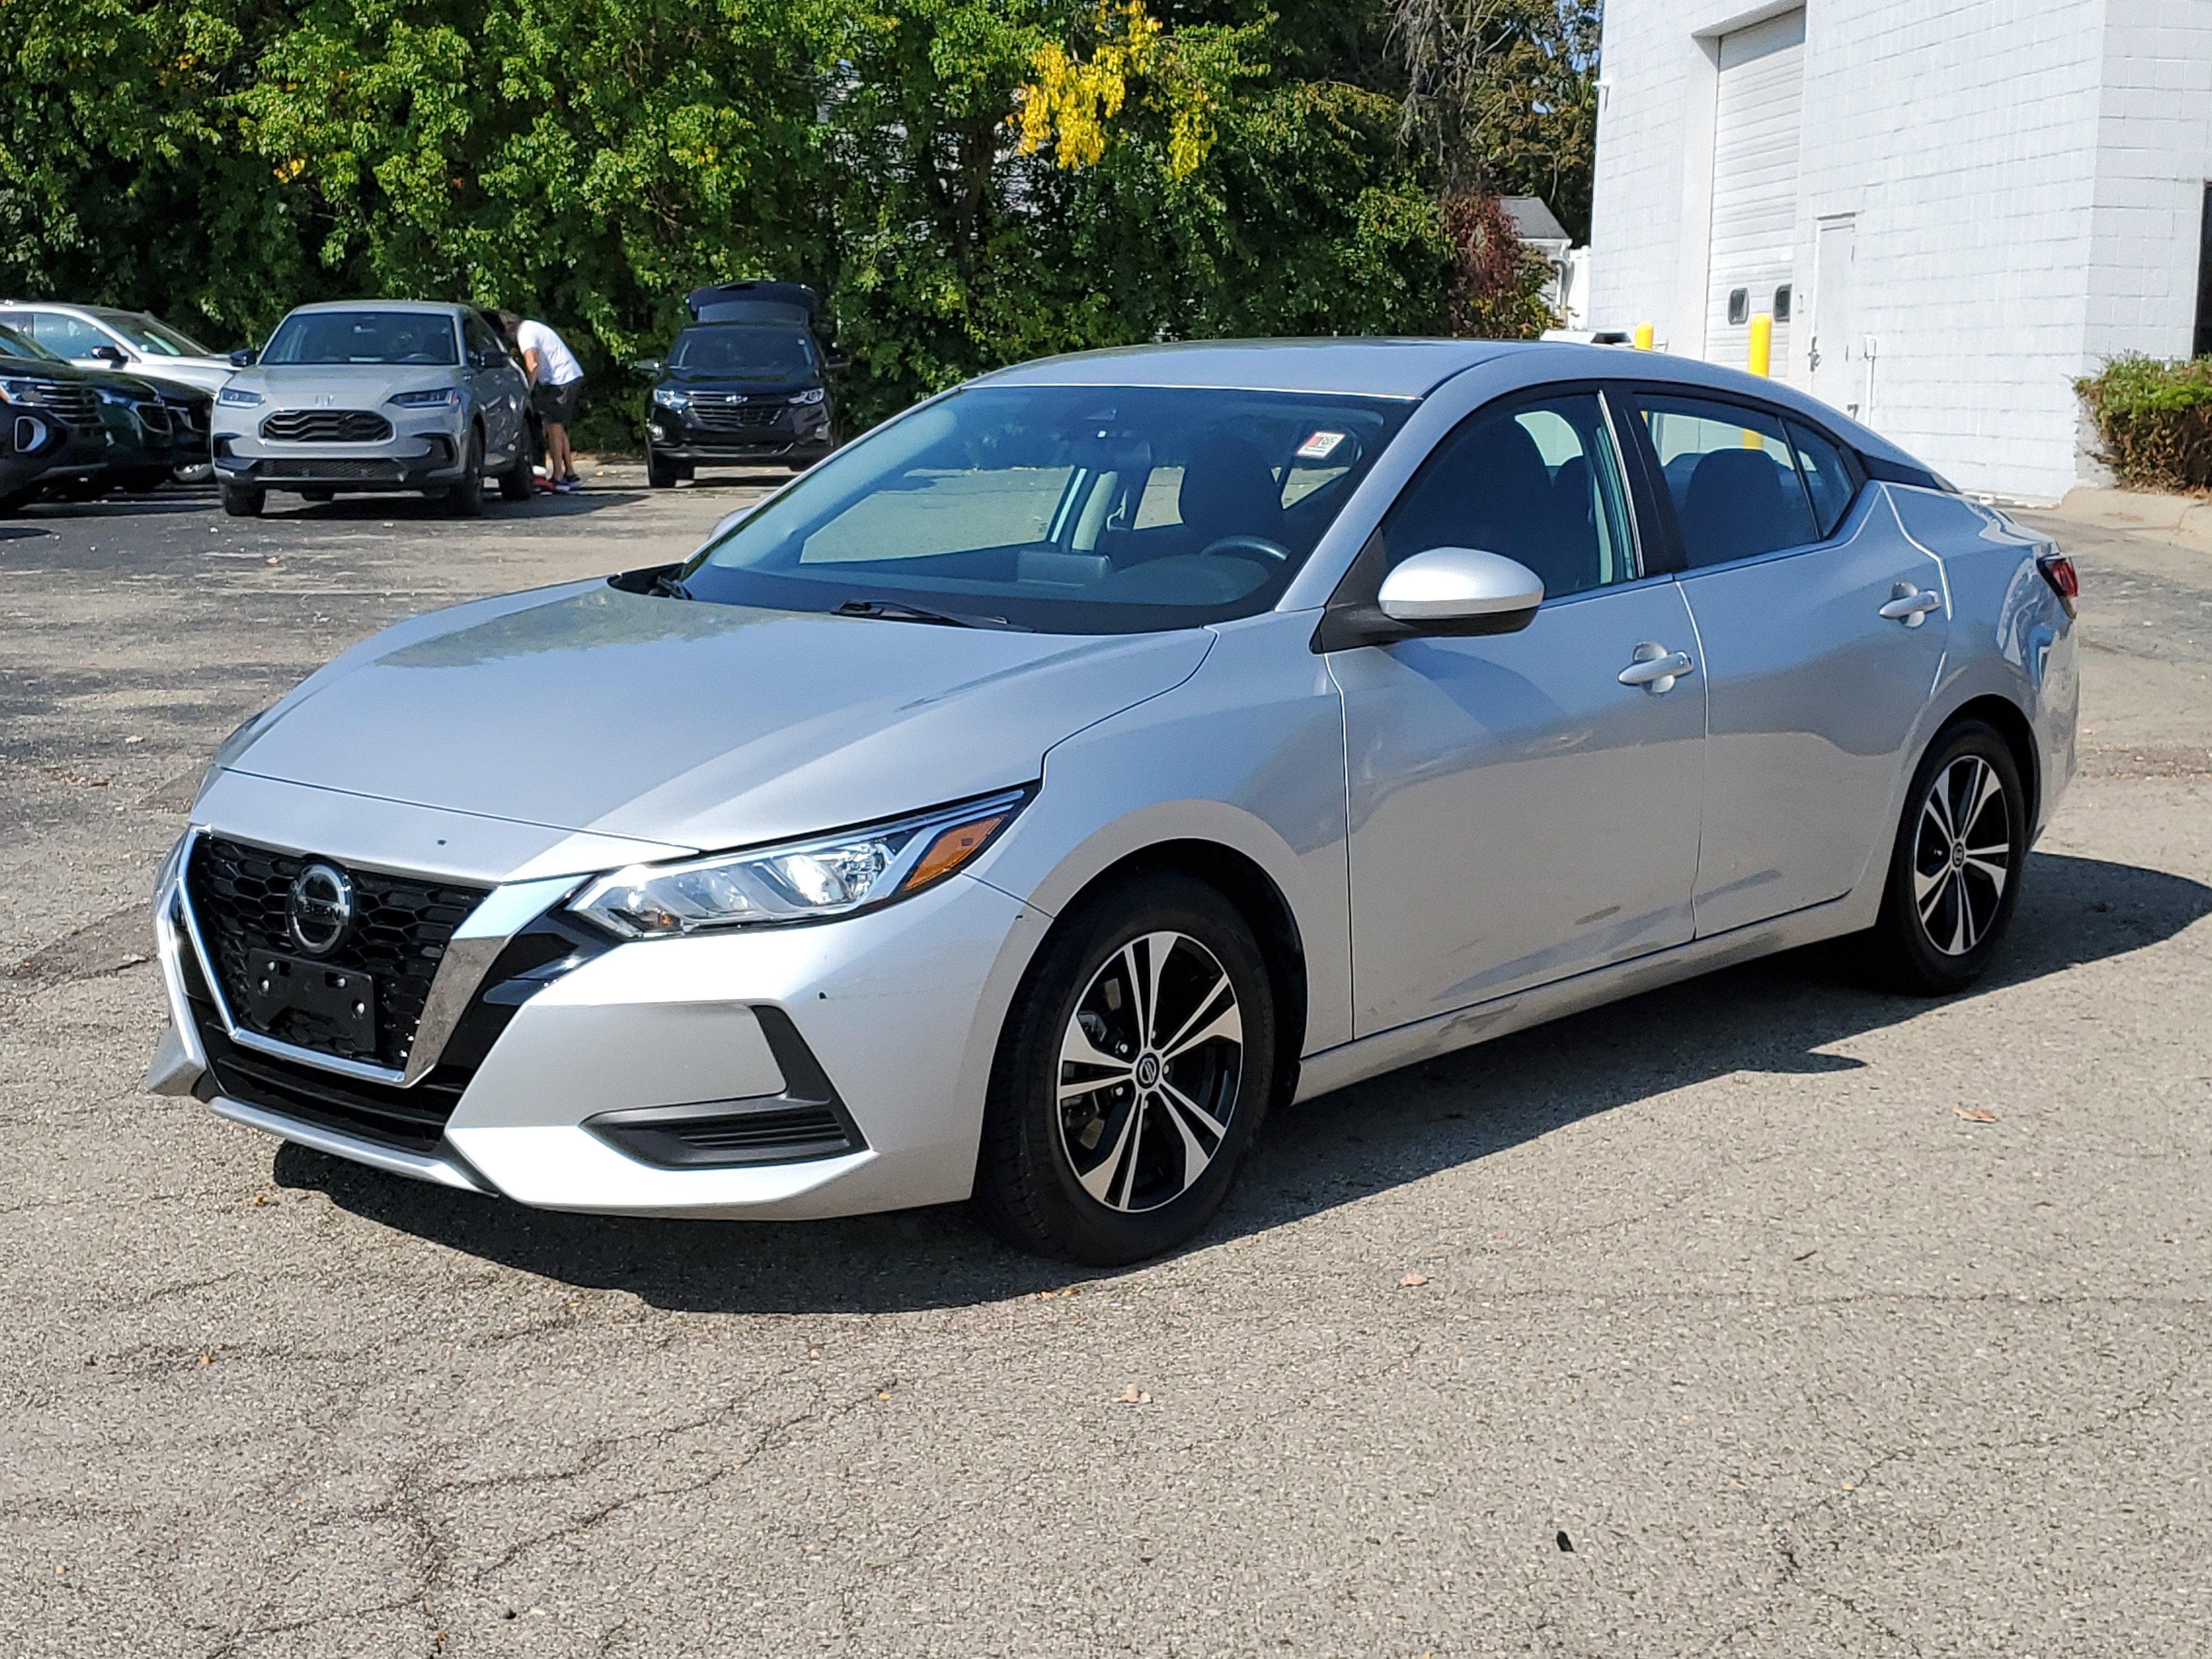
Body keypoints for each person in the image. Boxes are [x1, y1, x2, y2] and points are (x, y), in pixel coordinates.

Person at [500, 311, 584, 493]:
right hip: (567, 377)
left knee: (552, 425)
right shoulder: (531, 327)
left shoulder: (525, 334)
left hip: (562, 379)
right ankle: (570, 473)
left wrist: (526, 390)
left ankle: (559, 477)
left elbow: (533, 365)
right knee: (558, 425)